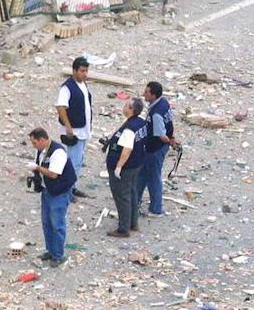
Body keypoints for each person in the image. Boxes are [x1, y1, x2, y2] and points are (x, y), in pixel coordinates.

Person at [29, 127, 76, 267]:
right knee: (46, 223)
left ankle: (58, 255)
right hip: (47, 190)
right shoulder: (41, 151)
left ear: (42, 140)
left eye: (35, 143)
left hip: (59, 192)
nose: (34, 146)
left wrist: (37, 168)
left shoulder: (58, 152)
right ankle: (50, 250)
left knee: (57, 224)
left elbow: (53, 174)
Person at [105, 98, 148, 237]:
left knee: (122, 195)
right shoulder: (140, 122)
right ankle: (132, 222)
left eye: (126, 105)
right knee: (131, 192)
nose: (123, 107)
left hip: (126, 167)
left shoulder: (130, 128)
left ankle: (123, 228)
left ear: (131, 109)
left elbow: (127, 149)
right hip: (136, 164)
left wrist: (118, 167)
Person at [136, 81, 178, 217]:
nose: (144, 94)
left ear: (154, 95)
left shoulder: (156, 114)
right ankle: (135, 200)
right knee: (142, 174)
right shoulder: (164, 103)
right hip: (155, 148)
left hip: (154, 149)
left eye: (147, 92)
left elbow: (161, 135)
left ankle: (156, 208)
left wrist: (171, 141)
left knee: (153, 178)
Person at [55, 56, 95, 198]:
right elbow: (61, 107)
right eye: (82, 71)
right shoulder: (67, 87)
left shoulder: (83, 85)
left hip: (83, 129)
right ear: (74, 71)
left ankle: (73, 187)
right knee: (72, 162)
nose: (84, 74)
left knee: (78, 161)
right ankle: (68, 191)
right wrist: (68, 127)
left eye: (86, 71)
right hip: (74, 131)